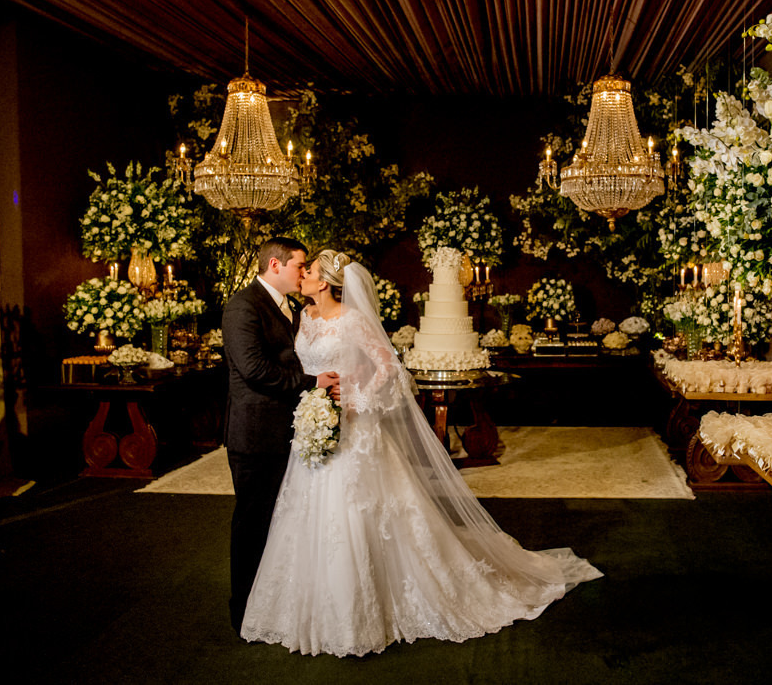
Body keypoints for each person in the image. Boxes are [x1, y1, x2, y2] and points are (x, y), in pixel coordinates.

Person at [241, 250, 602, 656]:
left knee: (361, 513)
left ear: (324, 282)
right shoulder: (303, 318)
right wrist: (314, 403)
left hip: (356, 433)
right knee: (310, 513)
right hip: (315, 429)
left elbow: (389, 368)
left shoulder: (353, 319)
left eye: (307, 271)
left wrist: (356, 399)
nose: (301, 275)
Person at [222, 237, 339, 633]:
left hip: (286, 432)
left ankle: (272, 603)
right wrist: (313, 383)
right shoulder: (243, 306)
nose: (303, 272)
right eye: (299, 265)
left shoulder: (290, 308)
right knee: (252, 522)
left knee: (280, 521)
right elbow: (255, 370)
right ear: (276, 264)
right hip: (254, 435)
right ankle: (243, 610)